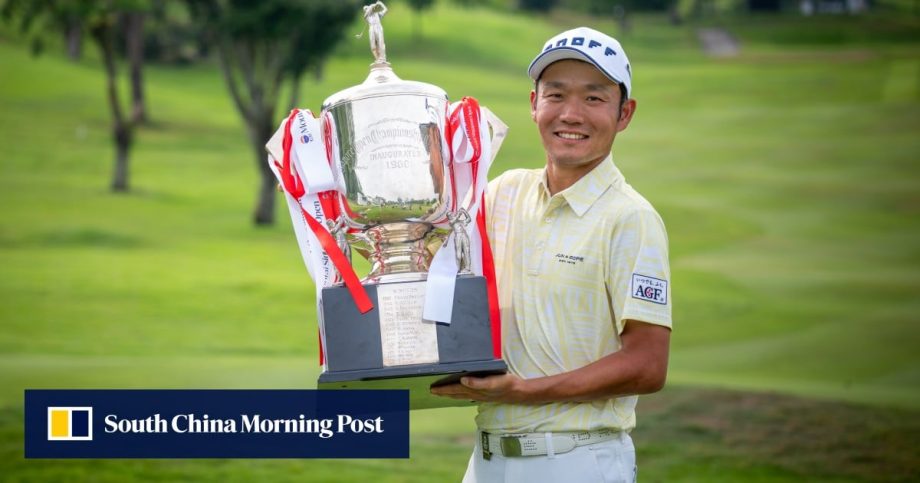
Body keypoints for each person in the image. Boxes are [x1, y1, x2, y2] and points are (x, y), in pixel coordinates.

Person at [431, 26, 672, 482]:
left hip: (578, 461)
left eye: (594, 99)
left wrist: (525, 391)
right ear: (533, 104)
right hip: (486, 462)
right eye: (556, 95)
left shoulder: (630, 219)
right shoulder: (503, 193)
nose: (571, 114)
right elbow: (436, 265)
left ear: (625, 114)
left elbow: (647, 365)